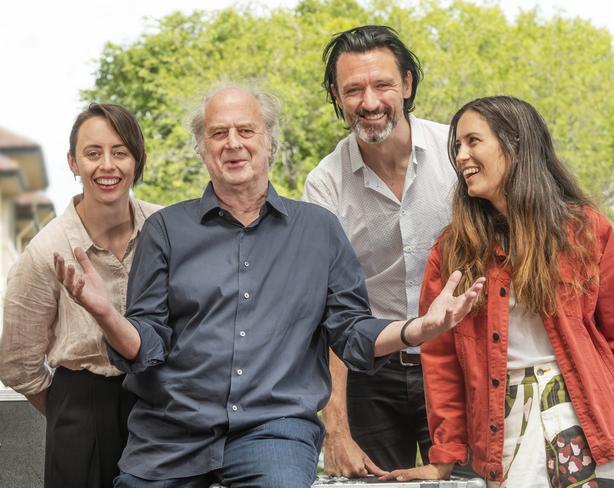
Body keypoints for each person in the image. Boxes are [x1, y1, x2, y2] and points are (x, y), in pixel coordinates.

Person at [53, 82, 485, 488]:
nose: (233, 142)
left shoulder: (319, 230)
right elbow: (146, 346)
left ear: (269, 142)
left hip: (273, 434)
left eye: (246, 130)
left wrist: (420, 328)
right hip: (171, 434)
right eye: (218, 133)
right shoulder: (166, 229)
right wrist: (106, 314)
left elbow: (351, 332)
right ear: (202, 148)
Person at [381, 96, 614, 487]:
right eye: (457, 146)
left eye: (473, 141)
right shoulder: (452, 250)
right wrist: (444, 456)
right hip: (500, 426)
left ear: (516, 145)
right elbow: (440, 363)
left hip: (592, 418)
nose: (461, 156)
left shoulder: (586, 231)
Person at [302, 24, 457, 477]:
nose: (369, 102)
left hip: (455, 361)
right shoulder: (325, 184)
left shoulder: (457, 155)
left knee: (469, 480)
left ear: (407, 84)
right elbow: (326, 313)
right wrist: (336, 432)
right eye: (353, 89)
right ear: (336, 94)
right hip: (369, 371)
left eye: (383, 84)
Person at [0, 103, 160, 488]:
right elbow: (16, 362)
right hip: (84, 411)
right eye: (93, 153)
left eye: (120, 152)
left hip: (159, 407)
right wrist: (68, 413)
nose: (107, 165)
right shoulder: (45, 252)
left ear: (137, 160)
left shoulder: (166, 229)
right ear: (73, 163)